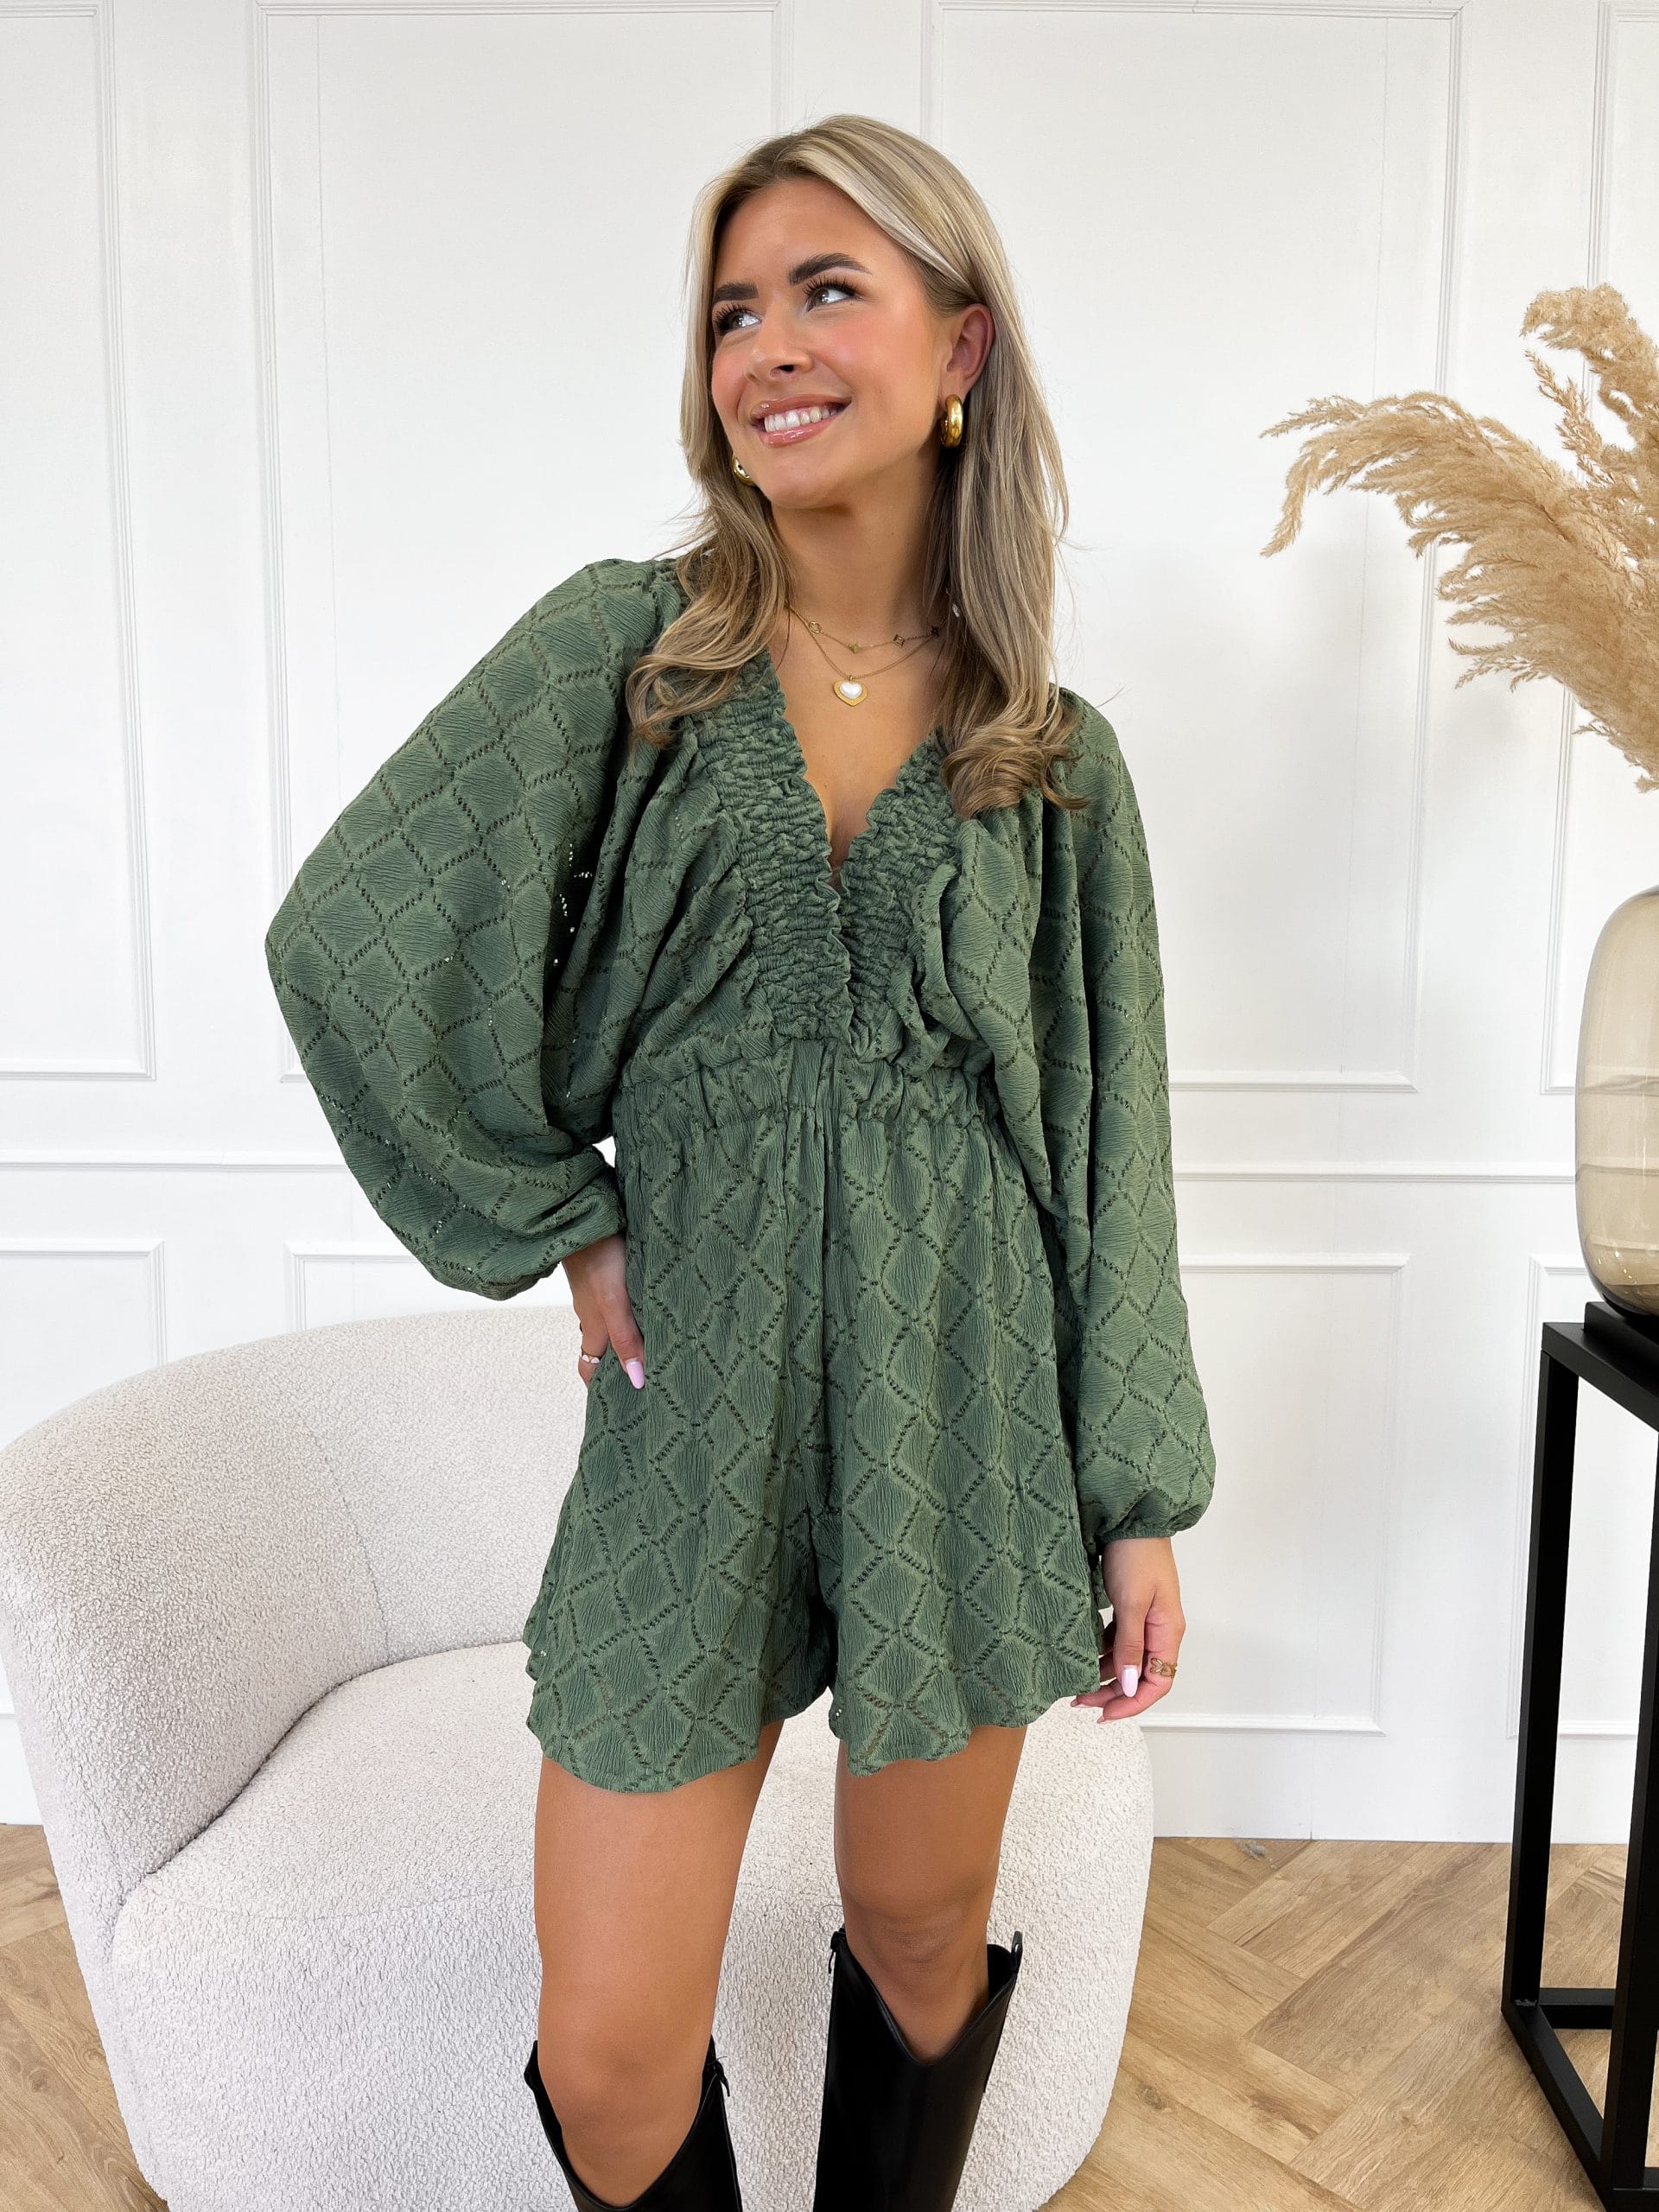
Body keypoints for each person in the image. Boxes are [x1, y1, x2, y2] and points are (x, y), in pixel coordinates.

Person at [264, 111, 1216, 2212]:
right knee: (609, 2054)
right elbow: (352, 931)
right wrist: (560, 1209)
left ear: (960, 348)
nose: (767, 345)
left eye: (825, 291)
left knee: (919, 1933)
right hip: (693, 1389)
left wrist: (1139, 1492)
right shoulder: (627, 653)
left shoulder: (1058, 757)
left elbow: (1107, 1135)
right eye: (730, 312)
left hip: (968, 1383)